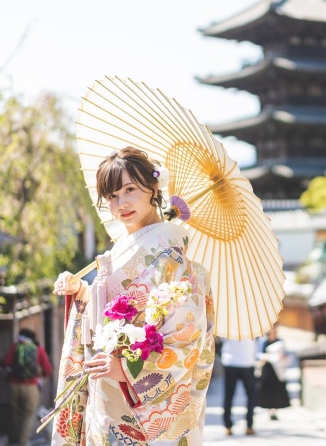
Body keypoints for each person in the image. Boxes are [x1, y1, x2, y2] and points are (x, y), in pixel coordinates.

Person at [52, 147, 215, 446]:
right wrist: (82, 293)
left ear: (153, 187)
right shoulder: (120, 248)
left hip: (138, 395)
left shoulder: (172, 256)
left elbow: (186, 336)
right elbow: (108, 310)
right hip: (104, 391)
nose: (121, 203)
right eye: (112, 196)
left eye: (130, 189)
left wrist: (126, 369)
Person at [2, 328, 53, 446]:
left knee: (17, 413)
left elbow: (6, 362)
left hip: (13, 384)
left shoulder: (16, 347)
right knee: (29, 414)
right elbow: (48, 369)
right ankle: (23, 442)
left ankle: (20, 439)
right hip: (31, 386)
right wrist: (42, 376)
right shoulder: (38, 349)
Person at [220, 338, 258, 436]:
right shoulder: (252, 329)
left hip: (231, 362)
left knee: (229, 396)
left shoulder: (228, 329)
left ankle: (228, 426)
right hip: (247, 362)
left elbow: (221, 339)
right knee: (251, 396)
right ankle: (249, 426)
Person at [255, 327, 291, 420]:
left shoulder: (280, 341)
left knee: (276, 391)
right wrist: (266, 356)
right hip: (267, 369)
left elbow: (286, 353)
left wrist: (282, 357)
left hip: (277, 370)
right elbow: (258, 354)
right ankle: (269, 410)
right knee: (267, 391)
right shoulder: (263, 342)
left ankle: (275, 411)